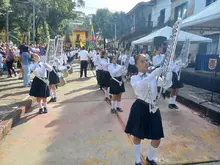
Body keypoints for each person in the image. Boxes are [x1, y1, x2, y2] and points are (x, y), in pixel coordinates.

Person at [125, 54, 164, 165]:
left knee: (157, 137)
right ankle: (137, 160)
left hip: (153, 107)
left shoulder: (154, 76)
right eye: (142, 61)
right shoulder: (134, 78)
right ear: (136, 65)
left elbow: (167, 84)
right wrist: (153, 75)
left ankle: (150, 158)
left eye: (146, 60)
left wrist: (168, 72)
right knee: (137, 135)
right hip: (140, 107)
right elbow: (139, 87)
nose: (145, 63)